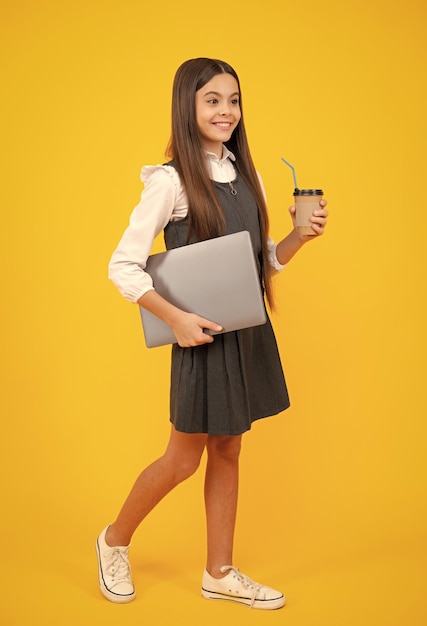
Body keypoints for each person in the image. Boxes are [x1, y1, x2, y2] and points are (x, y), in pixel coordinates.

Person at [97, 57, 328, 610]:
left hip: (245, 332)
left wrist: (298, 237)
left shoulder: (248, 175)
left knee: (229, 449)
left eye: (234, 100)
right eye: (213, 100)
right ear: (188, 106)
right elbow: (122, 266)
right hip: (199, 337)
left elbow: (258, 263)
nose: (226, 111)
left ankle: (219, 571)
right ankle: (113, 540)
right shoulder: (170, 181)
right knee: (183, 458)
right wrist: (176, 320)